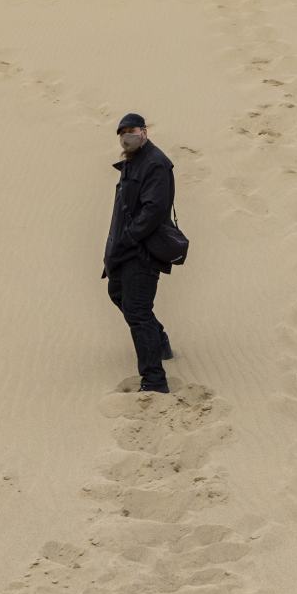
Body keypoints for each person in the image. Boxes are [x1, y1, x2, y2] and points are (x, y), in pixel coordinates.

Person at [102, 113, 176, 393]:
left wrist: (129, 238)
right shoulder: (133, 163)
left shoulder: (155, 163)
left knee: (137, 311)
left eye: (131, 130)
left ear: (144, 131)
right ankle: (159, 340)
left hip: (142, 250)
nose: (126, 135)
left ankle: (154, 380)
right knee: (117, 293)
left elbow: (154, 210)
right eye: (122, 132)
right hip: (124, 248)